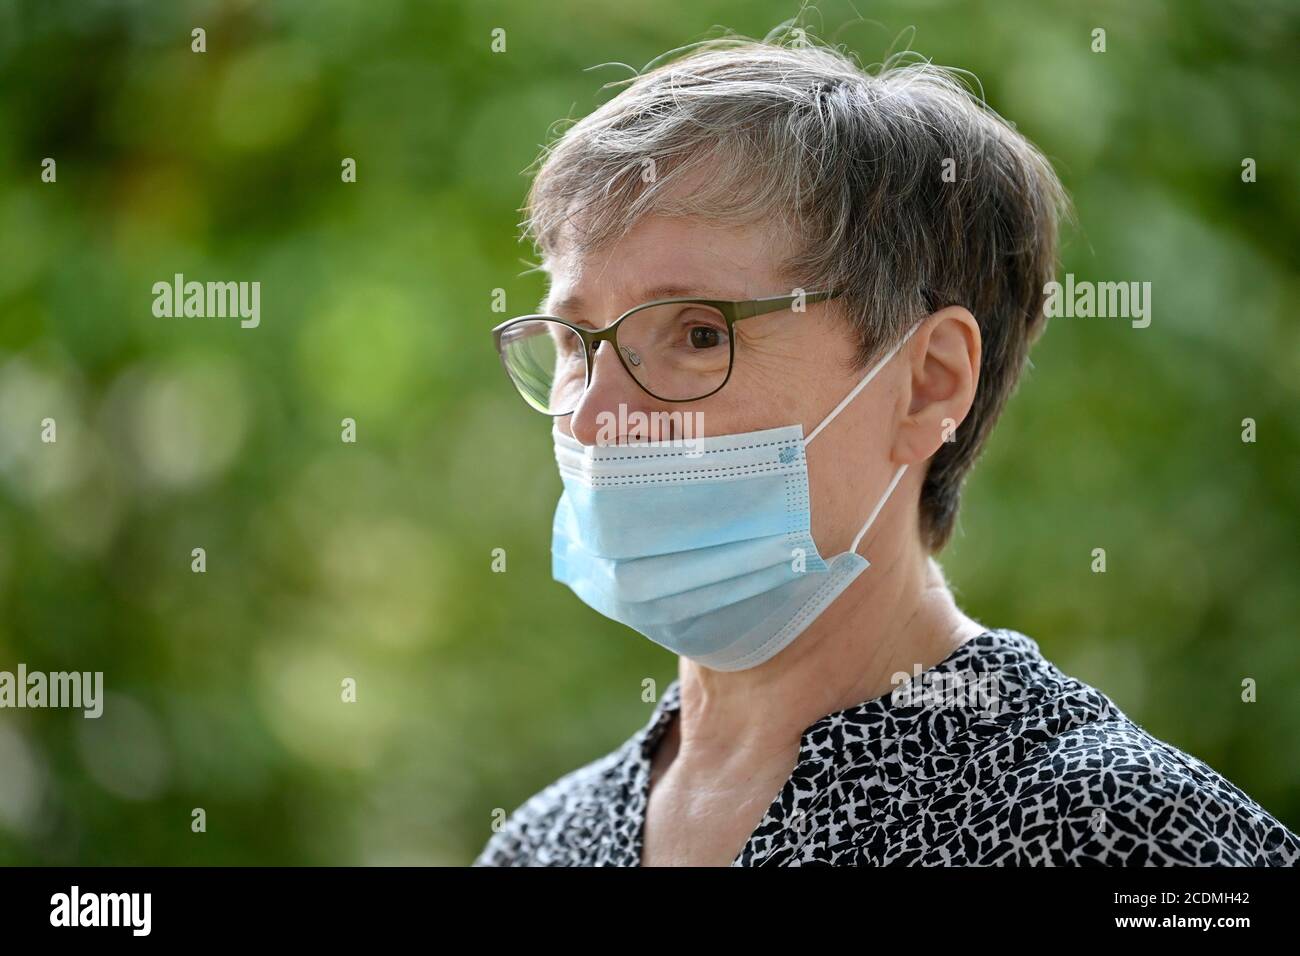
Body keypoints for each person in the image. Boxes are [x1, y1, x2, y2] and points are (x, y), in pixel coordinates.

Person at [475, 36, 1300, 866]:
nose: (594, 420)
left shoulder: (1123, 833)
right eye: (580, 344)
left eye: (697, 333)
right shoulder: (544, 843)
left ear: (928, 384)